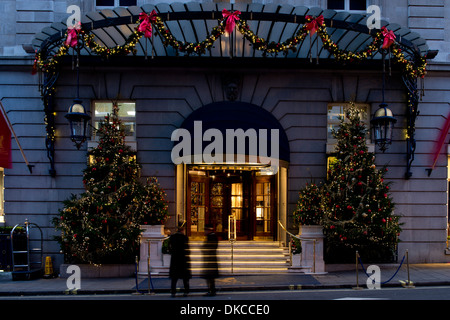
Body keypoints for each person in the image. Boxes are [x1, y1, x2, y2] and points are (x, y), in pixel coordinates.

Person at [169, 224, 191, 297]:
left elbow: (170, 248)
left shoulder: (172, 237)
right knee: (185, 278)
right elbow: (187, 249)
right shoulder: (185, 238)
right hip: (183, 259)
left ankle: (173, 292)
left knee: (174, 278)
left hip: (175, 259)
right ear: (182, 230)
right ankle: (186, 291)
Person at [202, 225, 219, 296]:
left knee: (210, 277)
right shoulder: (213, 236)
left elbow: (209, 247)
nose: (204, 232)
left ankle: (212, 291)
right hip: (212, 259)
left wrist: (204, 248)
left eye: (205, 230)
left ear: (209, 230)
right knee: (210, 277)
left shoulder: (211, 237)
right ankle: (212, 290)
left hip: (210, 260)